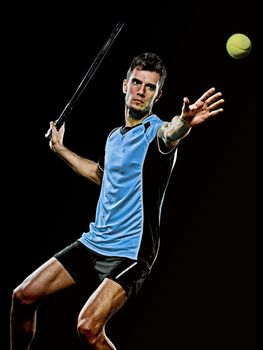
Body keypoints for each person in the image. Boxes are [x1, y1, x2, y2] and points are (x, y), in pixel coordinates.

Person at [10, 52, 224, 350]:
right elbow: (100, 175)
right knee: (23, 296)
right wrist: (59, 148)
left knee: (88, 328)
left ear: (158, 94)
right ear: (125, 86)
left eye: (150, 87)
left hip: (132, 252)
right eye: (136, 83)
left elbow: (171, 133)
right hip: (96, 241)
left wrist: (184, 124)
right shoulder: (114, 137)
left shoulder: (156, 133)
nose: (141, 91)